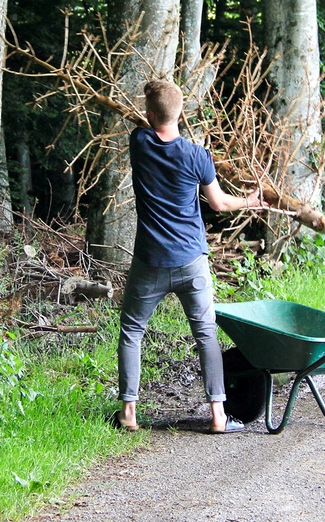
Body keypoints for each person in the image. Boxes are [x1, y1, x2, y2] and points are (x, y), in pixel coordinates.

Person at [114, 79, 260, 433]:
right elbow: (219, 203)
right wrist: (250, 201)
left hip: (150, 262)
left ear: (150, 116)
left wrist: (153, 108)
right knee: (206, 334)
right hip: (191, 260)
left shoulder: (140, 143)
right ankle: (219, 416)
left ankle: (129, 413)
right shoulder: (198, 156)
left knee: (132, 331)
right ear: (182, 113)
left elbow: (151, 122)